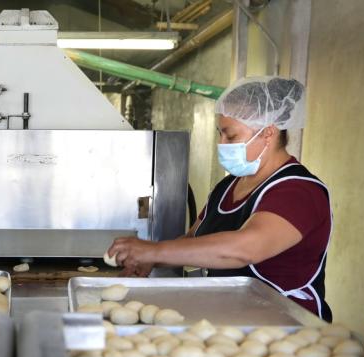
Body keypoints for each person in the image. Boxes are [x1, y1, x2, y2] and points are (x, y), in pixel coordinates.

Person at [107, 76, 333, 321]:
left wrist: (155, 251)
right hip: (235, 320)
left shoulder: (298, 191)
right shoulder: (228, 186)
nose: (221, 143)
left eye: (231, 136)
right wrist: (152, 262)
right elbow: (194, 239)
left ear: (268, 133)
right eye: (220, 134)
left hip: (287, 326)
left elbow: (245, 248)